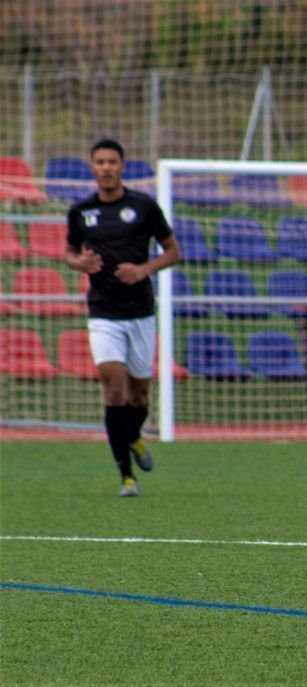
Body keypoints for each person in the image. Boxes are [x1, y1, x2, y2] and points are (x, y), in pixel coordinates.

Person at [65, 139, 181, 497]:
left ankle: (133, 435)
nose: (106, 168)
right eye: (99, 161)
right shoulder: (81, 210)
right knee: (112, 384)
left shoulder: (143, 206)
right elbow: (70, 252)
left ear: (123, 166)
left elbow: (174, 251)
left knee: (139, 397)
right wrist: (79, 263)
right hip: (103, 312)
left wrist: (144, 269)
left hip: (140, 313)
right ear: (92, 167)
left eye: (112, 161)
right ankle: (126, 477)